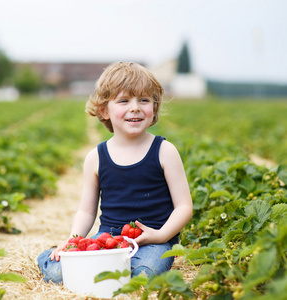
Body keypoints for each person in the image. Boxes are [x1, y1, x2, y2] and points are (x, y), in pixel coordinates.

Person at [37, 62, 193, 283]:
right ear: (104, 110)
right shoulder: (96, 157)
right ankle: (48, 257)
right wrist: (73, 240)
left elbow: (184, 206)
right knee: (57, 273)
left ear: (154, 107)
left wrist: (161, 235)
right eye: (123, 101)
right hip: (107, 238)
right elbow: (87, 211)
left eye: (144, 100)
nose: (135, 107)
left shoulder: (164, 151)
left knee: (143, 275)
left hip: (153, 241)